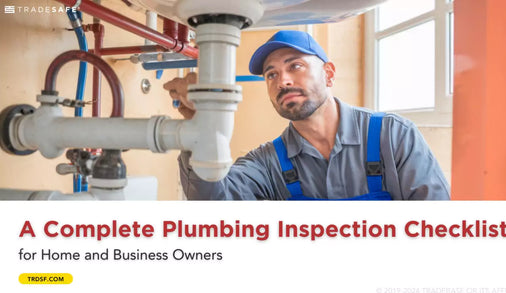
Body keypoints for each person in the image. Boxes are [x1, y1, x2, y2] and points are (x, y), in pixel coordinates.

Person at [164, 30, 450, 200]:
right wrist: (199, 127)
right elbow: (214, 206)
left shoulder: (394, 136)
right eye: (271, 74)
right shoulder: (267, 164)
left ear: (329, 74)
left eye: (295, 66)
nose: (282, 80)